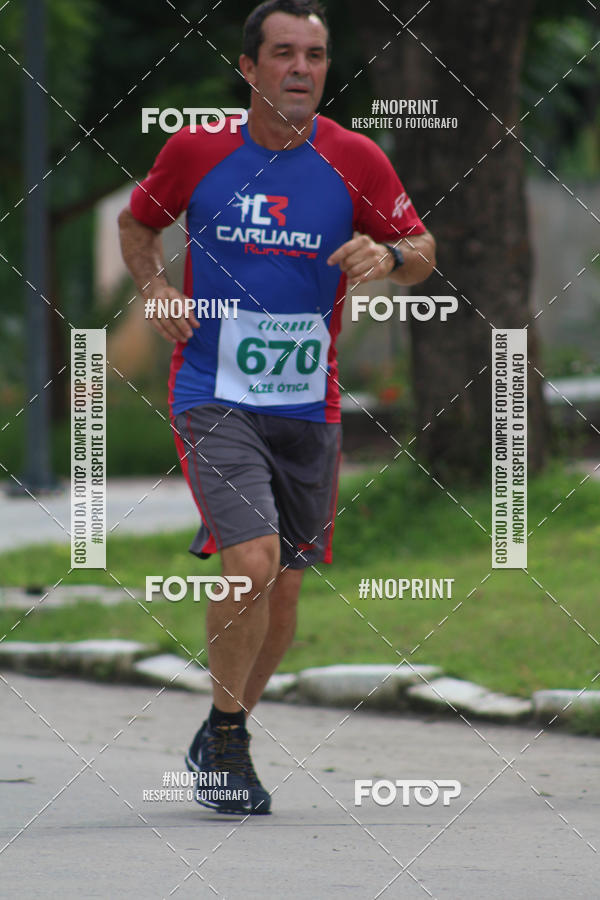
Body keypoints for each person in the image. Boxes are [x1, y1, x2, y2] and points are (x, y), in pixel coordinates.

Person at [118, 0, 435, 816]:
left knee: (284, 593)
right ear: (250, 69)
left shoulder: (357, 159)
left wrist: (390, 252)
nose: (302, 68)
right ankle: (227, 740)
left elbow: (422, 252)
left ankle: (226, 725)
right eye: (285, 53)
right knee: (251, 562)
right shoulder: (197, 149)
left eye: (318, 55)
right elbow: (139, 223)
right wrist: (155, 288)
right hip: (212, 391)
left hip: (308, 403)